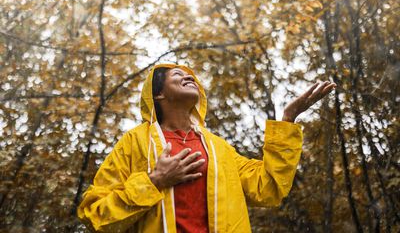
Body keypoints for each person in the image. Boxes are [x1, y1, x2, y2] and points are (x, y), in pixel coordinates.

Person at [77, 63, 336, 232]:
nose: (188, 76)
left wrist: (287, 121)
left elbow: (268, 189)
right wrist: (154, 181)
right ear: (158, 95)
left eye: (190, 75)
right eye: (177, 75)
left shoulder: (218, 148)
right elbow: (96, 213)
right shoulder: (134, 143)